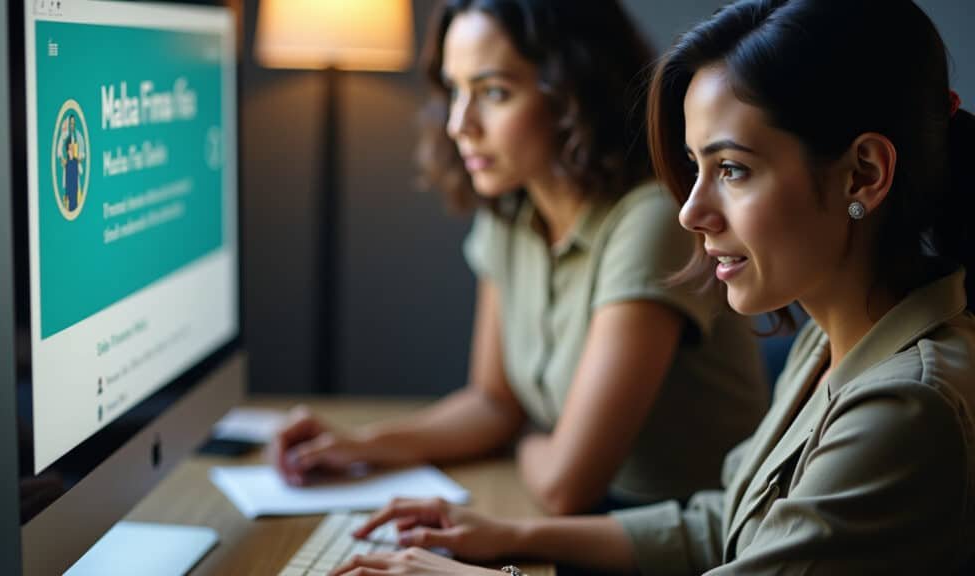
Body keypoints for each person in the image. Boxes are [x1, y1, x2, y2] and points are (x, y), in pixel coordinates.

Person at [327, 0, 975, 574]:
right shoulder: (832, 343)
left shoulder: (907, 409)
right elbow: (721, 527)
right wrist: (510, 534)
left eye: (733, 169)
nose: (691, 213)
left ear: (862, 173)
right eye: (696, 167)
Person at [271, 0, 767, 516]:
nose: (460, 124)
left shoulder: (653, 221)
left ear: (573, 91)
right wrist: (359, 445)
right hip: (583, 521)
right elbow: (492, 403)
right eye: (455, 90)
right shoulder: (512, 209)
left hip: (664, 538)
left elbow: (564, 485)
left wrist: (522, 438)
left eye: (494, 93)